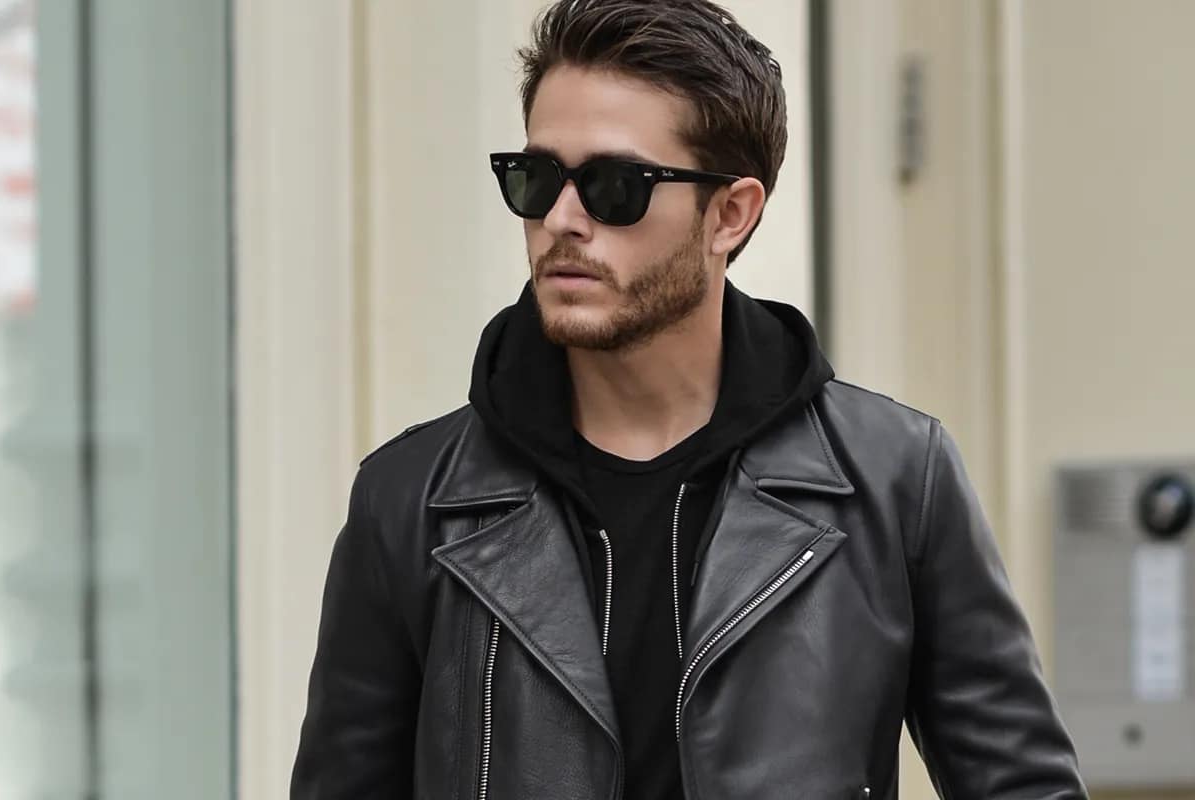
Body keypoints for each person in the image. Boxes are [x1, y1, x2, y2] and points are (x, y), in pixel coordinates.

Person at [291, 1, 1086, 797]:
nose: (561, 220)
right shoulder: (412, 502)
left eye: (614, 186)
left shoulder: (893, 479)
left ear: (730, 215)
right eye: (536, 179)